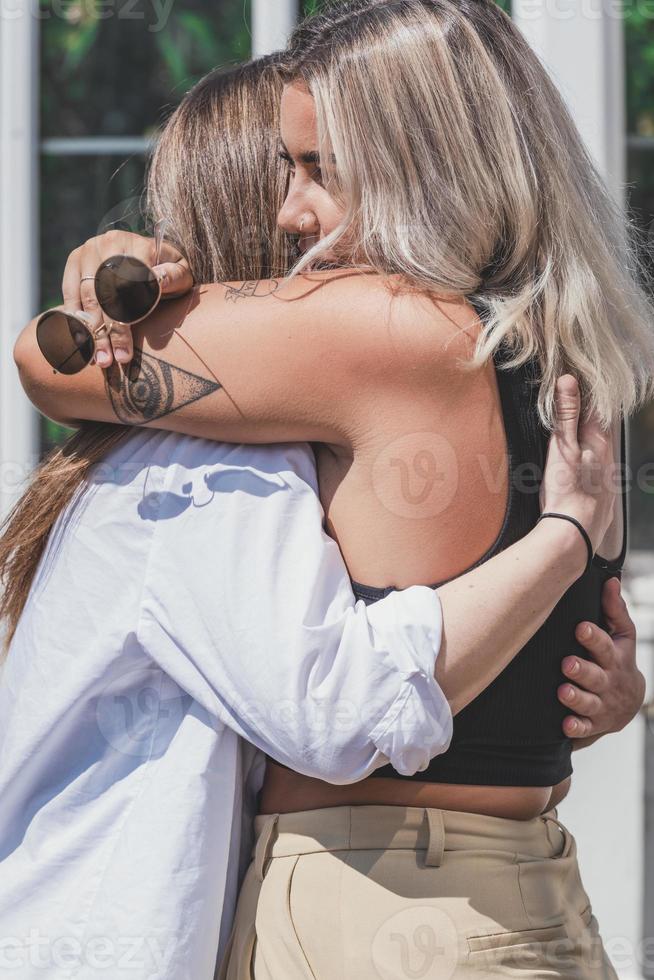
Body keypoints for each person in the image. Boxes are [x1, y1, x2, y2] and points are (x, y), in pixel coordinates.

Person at [12, 1, 651, 976]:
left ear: (420, 163)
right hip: (536, 887)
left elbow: (52, 367)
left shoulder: (382, 327)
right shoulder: (564, 341)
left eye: (319, 170)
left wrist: (103, 281)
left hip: (377, 898)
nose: (289, 213)